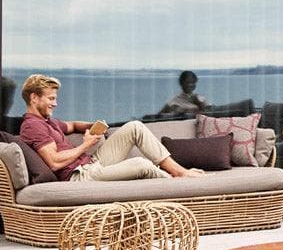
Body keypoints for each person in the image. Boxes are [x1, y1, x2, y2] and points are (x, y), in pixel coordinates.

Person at [19, 74, 201, 181]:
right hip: (79, 176)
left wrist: (92, 126)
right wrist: (86, 144)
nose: (55, 103)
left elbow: (72, 125)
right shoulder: (32, 126)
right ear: (34, 98)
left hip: (90, 164)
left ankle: (179, 171)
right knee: (141, 164)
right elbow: (54, 161)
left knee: (135, 127)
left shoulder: (47, 121)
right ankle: (178, 182)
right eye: (51, 99)